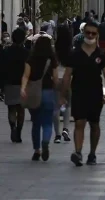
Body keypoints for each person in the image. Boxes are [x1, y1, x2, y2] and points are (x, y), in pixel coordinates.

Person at [60, 21, 105, 166]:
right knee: (79, 122)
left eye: (93, 33)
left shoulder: (101, 54)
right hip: (78, 92)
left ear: (97, 35)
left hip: (95, 93)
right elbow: (67, 75)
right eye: (87, 32)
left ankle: (92, 153)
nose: (90, 35)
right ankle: (78, 152)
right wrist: (63, 95)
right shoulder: (75, 53)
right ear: (83, 33)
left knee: (94, 124)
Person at [21, 32, 59, 161]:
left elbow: (25, 76)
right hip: (48, 92)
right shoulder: (52, 60)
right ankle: (46, 142)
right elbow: (55, 78)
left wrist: (23, 89)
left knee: (36, 123)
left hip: (33, 93)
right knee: (47, 121)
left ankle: (37, 150)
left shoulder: (30, 59)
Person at [2, 29, 29, 143]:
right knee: (21, 109)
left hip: (9, 83)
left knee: (11, 109)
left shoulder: (6, 51)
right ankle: (18, 131)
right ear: (23, 39)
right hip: (22, 84)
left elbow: (2, 68)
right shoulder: (27, 53)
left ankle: (12, 126)